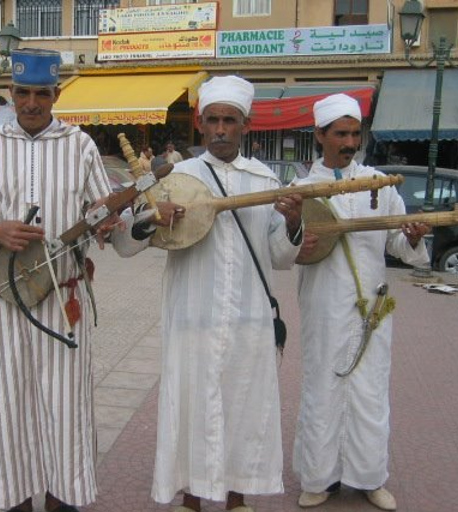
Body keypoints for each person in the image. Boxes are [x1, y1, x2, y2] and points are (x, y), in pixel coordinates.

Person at [0, 48, 132, 512]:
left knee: (65, 405)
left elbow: (101, 210)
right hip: (4, 299)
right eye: (23, 93)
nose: (32, 103)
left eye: (42, 94)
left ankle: (63, 499)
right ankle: (15, 499)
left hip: (62, 295)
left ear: (56, 95)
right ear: (10, 94)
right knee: (11, 402)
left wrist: (107, 224)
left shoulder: (80, 146)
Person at [117, 75, 304, 512]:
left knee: (243, 405)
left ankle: (237, 498)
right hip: (191, 314)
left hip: (248, 319)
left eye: (230, 121)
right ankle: (192, 499)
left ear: (245, 126)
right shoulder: (174, 176)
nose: (221, 129)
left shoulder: (264, 180)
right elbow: (126, 243)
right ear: (201, 126)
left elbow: (280, 256)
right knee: (192, 405)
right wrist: (151, 218)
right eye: (213, 120)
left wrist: (294, 223)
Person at [291, 94, 431, 511]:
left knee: (370, 393)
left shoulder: (381, 184)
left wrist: (414, 237)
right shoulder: (299, 191)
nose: (350, 142)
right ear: (320, 135)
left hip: (372, 307)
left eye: (355, 133)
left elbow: (401, 248)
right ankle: (319, 478)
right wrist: (296, 238)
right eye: (341, 134)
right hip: (323, 307)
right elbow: (281, 250)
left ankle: (370, 477)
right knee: (323, 387)